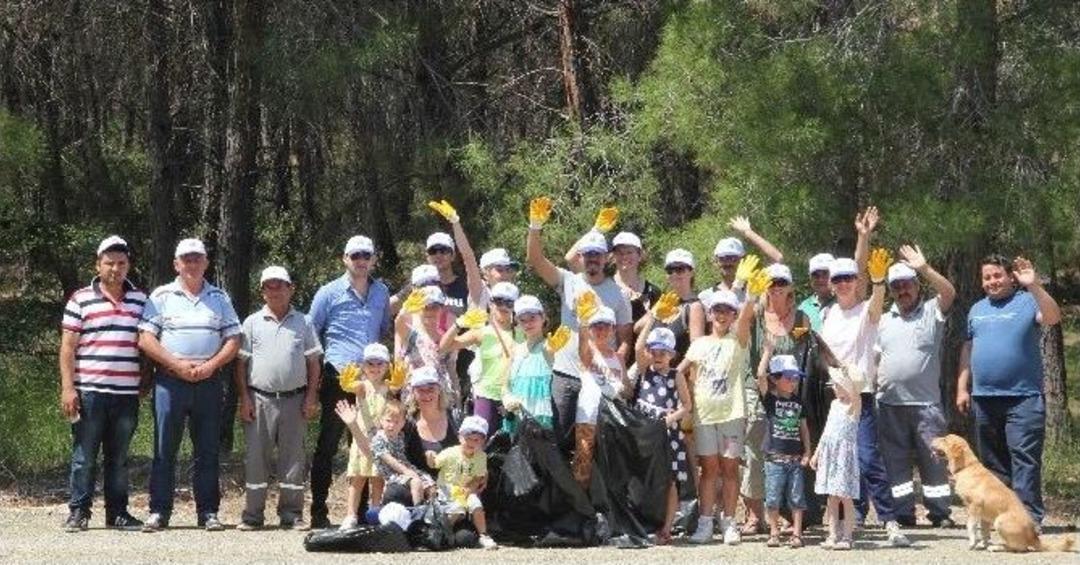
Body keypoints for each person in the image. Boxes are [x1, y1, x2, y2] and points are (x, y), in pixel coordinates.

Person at [818, 209, 909, 547]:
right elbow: (826, 356)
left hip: (862, 397)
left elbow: (874, 295)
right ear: (831, 283)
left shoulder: (867, 310)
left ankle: (889, 522)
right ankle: (842, 527)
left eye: (849, 279)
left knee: (868, 458)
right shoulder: (828, 315)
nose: (843, 283)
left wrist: (865, 239)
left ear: (857, 283)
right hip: (837, 399)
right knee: (838, 462)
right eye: (838, 280)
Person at [138, 238, 241, 532]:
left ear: (206, 263)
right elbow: (145, 338)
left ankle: (208, 512)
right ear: (176, 264)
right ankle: (159, 512)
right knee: (163, 450)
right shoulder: (161, 296)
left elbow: (234, 339)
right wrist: (176, 364)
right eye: (186, 259)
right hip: (170, 382)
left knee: (207, 450)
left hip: (208, 382)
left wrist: (211, 365)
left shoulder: (219, 297)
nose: (192, 264)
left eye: (198, 258)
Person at [957, 254, 1061, 525]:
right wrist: (962, 388)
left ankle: (1029, 520)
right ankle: (1002, 519)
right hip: (984, 397)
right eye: (987, 277)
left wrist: (1034, 285)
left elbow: (1052, 317)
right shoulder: (977, 309)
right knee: (993, 465)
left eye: (997, 275)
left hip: (1023, 398)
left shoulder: (1027, 301)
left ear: (1010, 277)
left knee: (1024, 459)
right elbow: (968, 349)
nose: (992, 281)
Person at [525, 197, 632, 453]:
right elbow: (536, 260)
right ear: (581, 257)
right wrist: (535, 226)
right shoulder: (568, 281)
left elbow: (626, 337)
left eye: (597, 254)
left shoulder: (619, 294)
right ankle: (560, 493)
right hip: (565, 374)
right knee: (559, 441)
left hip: (600, 378)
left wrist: (616, 369)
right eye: (588, 254)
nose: (592, 259)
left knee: (599, 448)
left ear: (606, 258)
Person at [60, 235, 148, 532]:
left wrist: (145, 379)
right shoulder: (80, 299)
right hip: (90, 391)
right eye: (109, 263)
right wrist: (68, 387)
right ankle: (79, 512)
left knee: (119, 458)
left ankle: (118, 513)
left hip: (126, 393)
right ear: (98, 265)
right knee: (84, 456)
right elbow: (68, 348)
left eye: (121, 263)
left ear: (128, 266)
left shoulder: (141, 300)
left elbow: (147, 344)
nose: (115, 269)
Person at [307, 234, 392, 529]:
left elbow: (382, 329)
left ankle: (364, 512)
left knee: (367, 444)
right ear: (345, 259)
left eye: (365, 256)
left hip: (370, 379)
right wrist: (320, 367)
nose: (360, 261)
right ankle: (319, 509)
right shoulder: (328, 292)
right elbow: (311, 329)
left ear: (373, 260)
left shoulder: (381, 291)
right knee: (328, 444)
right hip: (337, 377)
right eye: (355, 256)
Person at [875, 245, 956, 528]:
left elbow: (949, 293)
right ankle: (903, 512)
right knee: (895, 464)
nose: (901, 290)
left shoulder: (932, 311)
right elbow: (874, 359)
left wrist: (924, 267)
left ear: (916, 285)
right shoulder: (883, 320)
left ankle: (940, 512)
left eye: (906, 284)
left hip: (926, 405)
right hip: (889, 405)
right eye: (895, 286)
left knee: (933, 461)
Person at [234, 266, 321, 531]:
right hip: (259, 399)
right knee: (256, 459)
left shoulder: (304, 322)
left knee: (294, 459)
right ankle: (253, 515)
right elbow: (240, 365)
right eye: (269, 286)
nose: (275, 290)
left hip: (295, 400)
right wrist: (245, 399)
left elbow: (314, 362)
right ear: (262, 291)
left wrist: (311, 397)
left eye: (280, 285)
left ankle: (291, 514)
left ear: (290, 288)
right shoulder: (251, 323)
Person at [680, 278, 760, 546]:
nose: (722, 314)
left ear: (733, 314)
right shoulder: (699, 343)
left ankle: (728, 522)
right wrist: (686, 405)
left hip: (732, 414)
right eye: (717, 310)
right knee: (708, 469)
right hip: (704, 416)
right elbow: (680, 371)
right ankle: (705, 522)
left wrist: (749, 297)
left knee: (729, 467)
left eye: (728, 310)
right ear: (710, 313)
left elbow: (747, 319)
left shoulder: (737, 340)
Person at [632, 322, 691, 544]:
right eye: (654, 351)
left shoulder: (676, 375)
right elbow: (638, 349)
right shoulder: (645, 371)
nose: (658, 356)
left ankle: (667, 527)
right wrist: (652, 318)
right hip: (645, 433)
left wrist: (669, 420)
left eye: (663, 352)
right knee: (644, 477)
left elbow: (687, 405)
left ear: (672, 354)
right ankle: (644, 522)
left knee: (670, 481)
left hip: (668, 434)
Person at [440, 282, 523, 433]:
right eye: (499, 301)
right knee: (481, 440)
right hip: (487, 395)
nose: (503, 306)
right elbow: (444, 347)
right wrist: (459, 324)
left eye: (509, 302)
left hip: (516, 396)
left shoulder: (524, 332)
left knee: (514, 445)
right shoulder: (481, 332)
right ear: (491, 303)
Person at [755, 353, 812, 549]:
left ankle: (797, 533)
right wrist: (767, 352)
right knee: (772, 497)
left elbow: (804, 429)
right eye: (788, 377)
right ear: (775, 379)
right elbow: (760, 375)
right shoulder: (770, 399)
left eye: (796, 377)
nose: (793, 381)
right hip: (774, 459)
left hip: (795, 459)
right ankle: (774, 532)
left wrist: (807, 452)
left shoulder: (799, 402)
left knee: (797, 497)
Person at [425, 415, 499, 550]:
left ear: (483, 441)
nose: (471, 443)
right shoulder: (450, 452)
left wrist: (469, 490)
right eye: (467, 439)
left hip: (466, 489)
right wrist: (430, 456)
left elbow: (478, 477)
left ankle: (483, 534)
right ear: (459, 437)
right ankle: (441, 532)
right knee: (456, 509)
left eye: (476, 440)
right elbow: (434, 464)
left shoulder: (481, 457)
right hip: (446, 490)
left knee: (476, 505)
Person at [810, 365, 863, 551]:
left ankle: (847, 536)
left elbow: (855, 396)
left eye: (838, 384)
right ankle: (832, 534)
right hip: (829, 454)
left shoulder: (854, 407)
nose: (834, 387)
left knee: (845, 497)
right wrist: (817, 453)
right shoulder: (834, 405)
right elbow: (827, 431)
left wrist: (848, 377)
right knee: (831, 497)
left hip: (844, 456)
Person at [339, 343, 392, 530]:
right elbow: (349, 387)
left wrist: (399, 381)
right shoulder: (363, 385)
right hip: (361, 438)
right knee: (358, 478)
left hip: (381, 440)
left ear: (387, 366)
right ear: (363, 365)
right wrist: (346, 381)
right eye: (371, 363)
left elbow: (398, 387)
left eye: (380, 364)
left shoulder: (388, 386)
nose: (375, 368)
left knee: (378, 477)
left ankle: (375, 511)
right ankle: (351, 514)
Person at [344, 398, 435, 506]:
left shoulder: (400, 436)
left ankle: (431, 510)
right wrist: (407, 471)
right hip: (393, 474)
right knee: (416, 482)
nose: (391, 425)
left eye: (396, 422)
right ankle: (418, 511)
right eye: (388, 421)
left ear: (403, 423)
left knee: (430, 485)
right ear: (381, 421)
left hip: (407, 469)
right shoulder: (379, 439)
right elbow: (390, 460)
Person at [501, 295, 569, 434]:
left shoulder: (551, 346)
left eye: (532, 317)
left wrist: (552, 352)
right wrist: (507, 399)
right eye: (522, 320)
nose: (528, 323)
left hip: (543, 422)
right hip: (518, 420)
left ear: (543, 318)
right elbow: (505, 385)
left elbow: (553, 364)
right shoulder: (515, 350)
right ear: (517, 322)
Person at [396, 285, 455, 403]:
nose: (430, 311)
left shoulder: (446, 338)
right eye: (425, 307)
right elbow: (399, 324)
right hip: (413, 397)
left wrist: (456, 398)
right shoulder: (411, 335)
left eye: (435, 307)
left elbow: (451, 368)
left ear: (442, 309)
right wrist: (405, 309)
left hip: (441, 398)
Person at [710, 216, 784, 297]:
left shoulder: (756, 289)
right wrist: (737, 284)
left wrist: (748, 232)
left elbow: (778, 259)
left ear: (743, 260)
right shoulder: (706, 297)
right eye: (723, 258)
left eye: (733, 258)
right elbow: (728, 302)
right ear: (715, 262)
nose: (728, 262)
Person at [798, 253, 836, 332]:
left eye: (825, 274)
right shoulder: (803, 308)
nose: (820, 279)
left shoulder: (845, 302)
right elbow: (799, 338)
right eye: (815, 275)